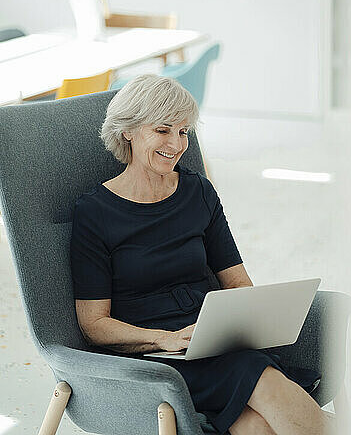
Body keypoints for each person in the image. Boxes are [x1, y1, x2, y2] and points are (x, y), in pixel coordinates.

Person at [70, 74, 336, 435]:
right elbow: (93, 324)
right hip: (155, 358)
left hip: (212, 338)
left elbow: (237, 281)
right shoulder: (95, 212)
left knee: (256, 426)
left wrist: (251, 320)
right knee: (259, 378)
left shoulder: (198, 191)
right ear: (128, 130)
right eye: (163, 130)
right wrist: (164, 339)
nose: (176, 144)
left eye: (183, 131)